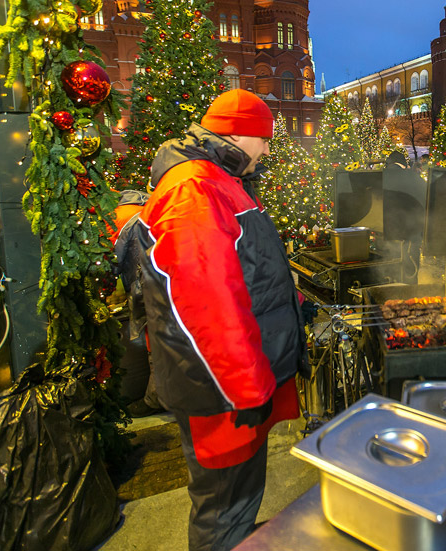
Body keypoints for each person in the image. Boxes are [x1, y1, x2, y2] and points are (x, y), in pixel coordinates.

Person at [134, 89, 309, 551]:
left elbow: (242, 268)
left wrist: (288, 303)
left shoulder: (218, 180)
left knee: (238, 496)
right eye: (264, 140)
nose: (268, 150)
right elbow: (205, 303)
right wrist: (243, 390)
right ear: (240, 133)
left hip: (229, 383)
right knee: (224, 505)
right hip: (221, 390)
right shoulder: (196, 188)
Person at [110, 189, 164, 417]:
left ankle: (155, 399)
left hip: (147, 285)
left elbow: (112, 261)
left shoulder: (116, 218)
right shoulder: (149, 207)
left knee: (155, 343)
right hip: (167, 277)